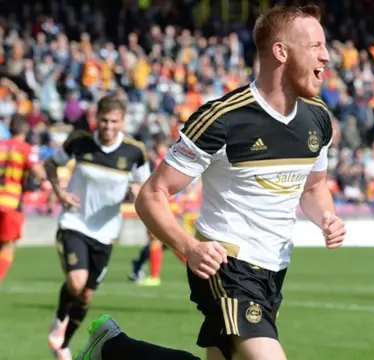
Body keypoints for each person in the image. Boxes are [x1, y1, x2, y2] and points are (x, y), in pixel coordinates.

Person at [75, 5, 346, 360]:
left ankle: (113, 349)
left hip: (275, 269)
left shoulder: (318, 118)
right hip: (226, 264)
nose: (327, 56)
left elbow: (313, 186)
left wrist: (326, 216)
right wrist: (190, 248)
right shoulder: (223, 119)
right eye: (316, 46)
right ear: (281, 52)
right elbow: (152, 194)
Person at [45, 95, 150, 360]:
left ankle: (63, 344)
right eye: (104, 120)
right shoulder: (79, 141)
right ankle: (59, 319)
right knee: (77, 281)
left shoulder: (135, 151)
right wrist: (60, 193)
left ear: (123, 121)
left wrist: (137, 194)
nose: (108, 126)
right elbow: (50, 164)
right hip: (75, 223)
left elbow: (145, 189)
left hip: (107, 232)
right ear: (96, 118)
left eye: (114, 121)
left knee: (87, 295)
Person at [129, 133, 187, 286]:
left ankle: (154, 276)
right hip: (170, 205)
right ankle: (195, 269)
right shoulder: (171, 157)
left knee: (161, 240)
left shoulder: (161, 160)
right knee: (171, 242)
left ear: (157, 143)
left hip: (162, 205)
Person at [0, 115, 46, 282]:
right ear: (25, 130)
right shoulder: (25, 148)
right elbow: (38, 172)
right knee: (8, 245)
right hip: (11, 202)